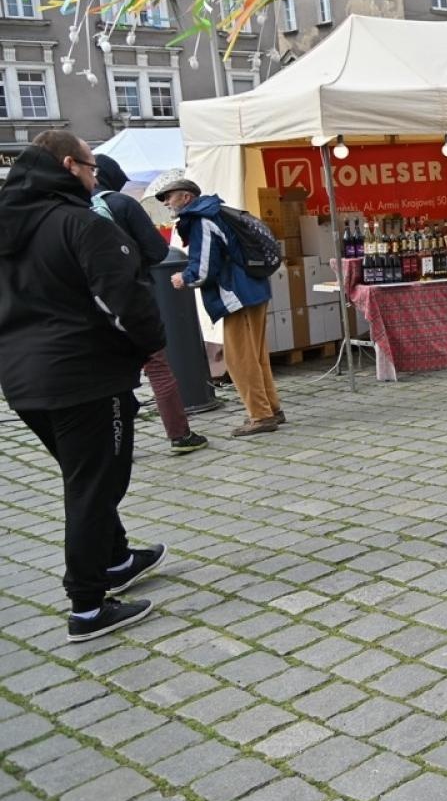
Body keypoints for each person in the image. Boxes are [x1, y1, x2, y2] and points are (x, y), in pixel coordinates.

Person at [0, 134, 169, 641]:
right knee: (94, 486)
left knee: (84, 476)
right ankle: (88, 606)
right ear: (70, 165)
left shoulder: (8, 228)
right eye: (93, 169)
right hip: (84, 376)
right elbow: (127, 301)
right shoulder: (81, 224)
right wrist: (147, 347)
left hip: (23, 380)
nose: (97, 178)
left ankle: (115, 559)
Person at [94, 155, 208, 454]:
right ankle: (179, 435)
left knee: (107, 374)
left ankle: (113, 441)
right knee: (157, 367)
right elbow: (158, 251)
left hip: (92, 306)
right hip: (132, 299)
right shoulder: (121, 203)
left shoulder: (70, 208)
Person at [155, 175, 283, 436]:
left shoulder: (201, 219)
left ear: (187, 197)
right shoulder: (215, 212)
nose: (167, 202)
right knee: (256, 355)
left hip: (235, 294)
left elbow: (203, 268)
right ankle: (271, 408)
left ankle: (260, 416)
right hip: (253, 287)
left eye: (169, 196)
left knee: (239, 359)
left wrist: (184, 278)